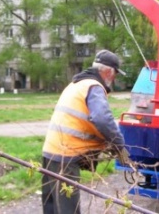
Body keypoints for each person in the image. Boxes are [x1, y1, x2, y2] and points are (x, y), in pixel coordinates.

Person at [41, 49, 126, 214]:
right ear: (108, 71)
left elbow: (82, 122)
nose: (114, 78)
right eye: (115, 73)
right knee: (68, 209)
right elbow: (102, 119)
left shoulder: (77, 83)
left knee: (52, 208)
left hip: (50, 152)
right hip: (65, 156)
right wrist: (120, 146)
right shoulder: (94, 87)